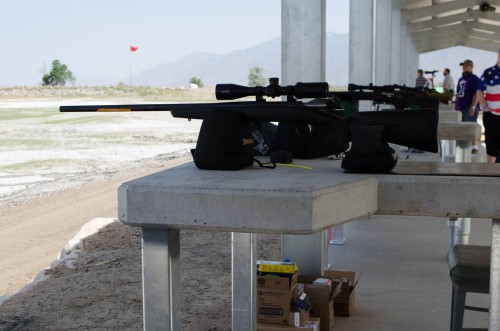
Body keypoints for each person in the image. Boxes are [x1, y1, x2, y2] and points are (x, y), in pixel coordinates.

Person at [477, 51, 500, 163]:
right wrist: (485, 107)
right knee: (491, 146)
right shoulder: (489, 72)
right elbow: (479, 90)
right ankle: (491, 173)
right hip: (492, 115)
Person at [455, 59, 480, 154]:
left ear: (471, 66)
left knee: (471, 126)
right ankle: (463, 146)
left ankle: (475, 146)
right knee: (462, 127)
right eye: (463, 66)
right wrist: (456, 105)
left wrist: (473, 107)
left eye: (466, 65)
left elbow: (477, 93)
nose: (464, 67)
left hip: (469, 106)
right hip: (461, 106)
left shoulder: (475, 79)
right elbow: (458, 93)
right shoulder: (461, 79)